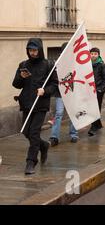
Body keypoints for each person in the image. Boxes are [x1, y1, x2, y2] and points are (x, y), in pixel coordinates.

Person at [12, 38, 58, 175]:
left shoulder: (49, 65)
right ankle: (43, 145)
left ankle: (31, 162)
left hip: (40, 104)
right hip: (26, 103)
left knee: (33, 132)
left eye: (35, 50)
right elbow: (16, 84)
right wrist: (21, 76)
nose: (32, 53)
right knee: (25, 131)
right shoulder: (23, 64)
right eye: (30, 50)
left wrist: (45, 91)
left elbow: (55, 85)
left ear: (40, 50)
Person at [48, 43, 78, 145]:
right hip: (60, 92)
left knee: (73, 113)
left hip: (72, 92)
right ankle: (54, 136)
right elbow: (54, 76)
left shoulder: (75, 62)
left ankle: (73, 134)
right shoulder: (57, 63)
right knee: (59, 113)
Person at [88, 47, 105, 136]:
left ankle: (93, 127)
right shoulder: (87, 65)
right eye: (92, 53)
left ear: (98, 55)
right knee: (91, 108)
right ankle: (98, 124)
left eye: (95, 54)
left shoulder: (102, 65)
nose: (93, 55)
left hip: (98, 90)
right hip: (89, 90)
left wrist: (101, 89)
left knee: (95, 108)